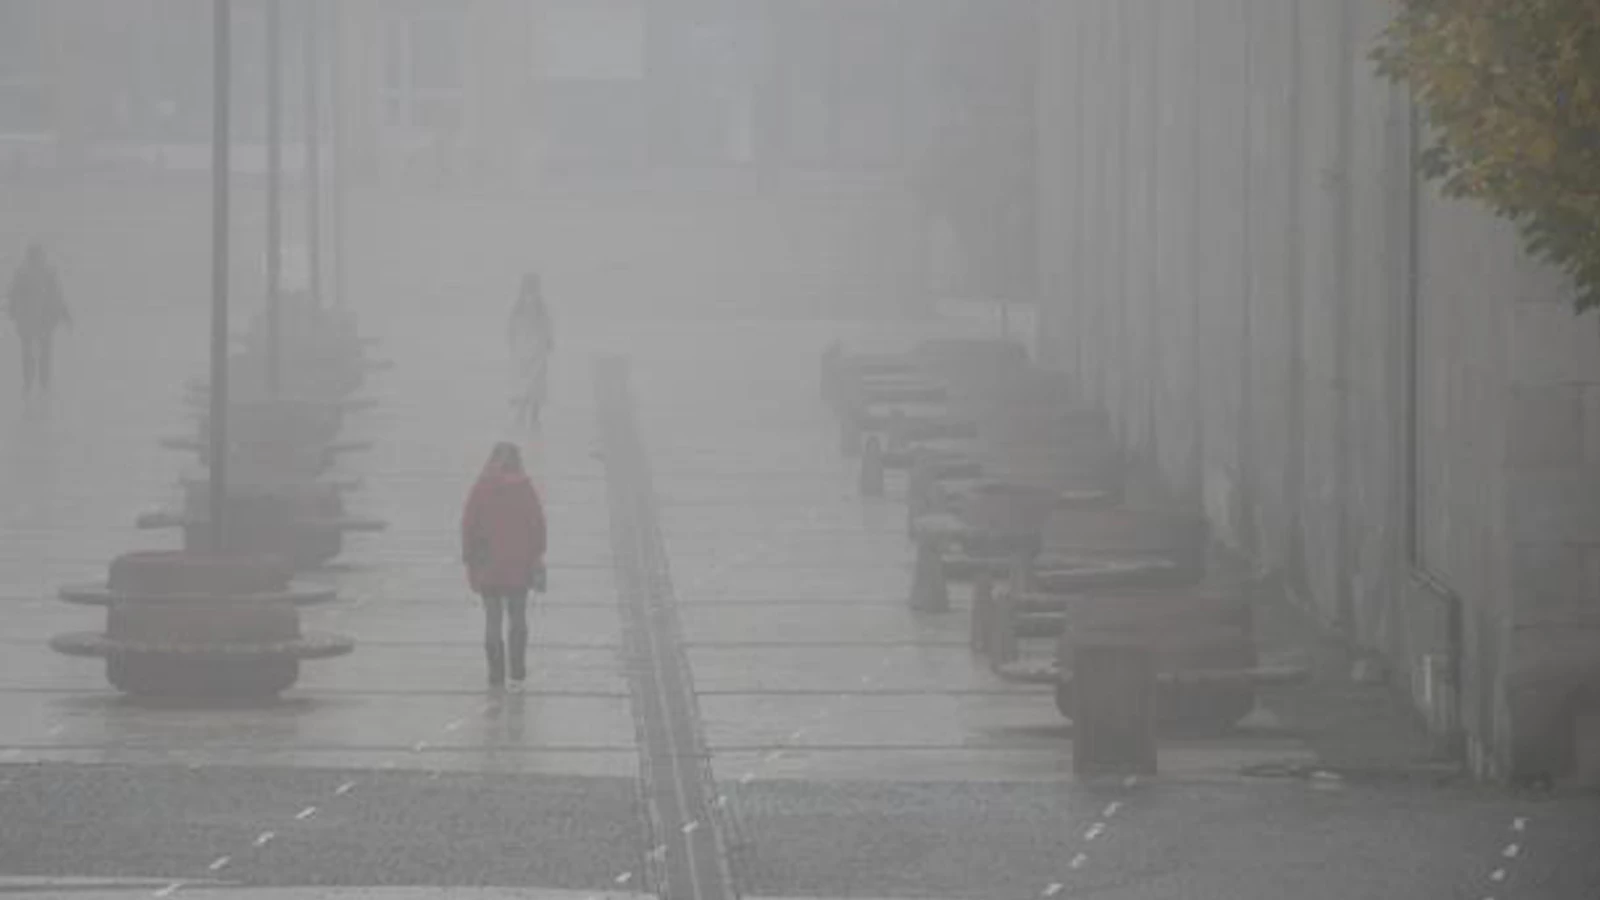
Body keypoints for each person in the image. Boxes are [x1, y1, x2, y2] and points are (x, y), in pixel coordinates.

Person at [461, 442, 547, 689]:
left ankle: (495, 674)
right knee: (517, 618)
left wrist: (469, 557)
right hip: (519, 565)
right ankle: (517, 672)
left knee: (493, 620)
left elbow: (468, 525)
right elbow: (538, 525)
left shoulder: (482, 487)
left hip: (488, 565)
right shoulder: (524, 488)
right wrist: (536, 553)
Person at [6, 243, 71, 394]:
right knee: (44, 352)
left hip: (27, 322)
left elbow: (13, 295)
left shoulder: (22, 273)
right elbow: (57, 296)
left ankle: (29, 382)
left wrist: (12, 311)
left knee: (28, 352)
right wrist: (65, 314)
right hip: (44, 321)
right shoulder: (48, 272)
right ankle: (43, 383)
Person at [507, 273, 554, 430]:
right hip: (525, 349)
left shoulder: (537, 307)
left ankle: (531, 417)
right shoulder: (522, 307)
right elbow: (512, 327)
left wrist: (548, 341)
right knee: (527, 384)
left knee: (533, 385)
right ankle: (524, 416)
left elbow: (546, 325)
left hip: (534, 349)